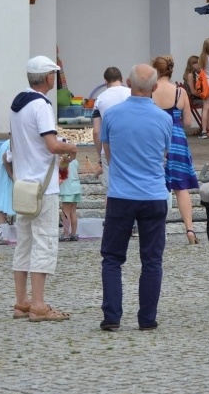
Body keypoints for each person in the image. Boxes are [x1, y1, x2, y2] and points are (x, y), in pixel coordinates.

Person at [99, 63, 173, 331]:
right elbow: (164, 154)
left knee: (111, 258)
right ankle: (147, 318)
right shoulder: (165, 119)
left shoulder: (112, 115)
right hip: (153, 194)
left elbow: (108, 153)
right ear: (154, 87)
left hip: (121, 194)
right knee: (152, 260)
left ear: (128, 84)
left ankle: (112, 316)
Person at [9, 55, 77, 322]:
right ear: (49, 77)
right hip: (43, 186)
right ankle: (38, 304)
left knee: (24, 242)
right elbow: (51, 145)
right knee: (45, 242)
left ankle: (21, 302)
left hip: (24, 183)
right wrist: (70, 146)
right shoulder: (41, 105)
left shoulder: (17, 103)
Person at [152, 56, 200, 245]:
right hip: (177, 138)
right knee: (181, 188)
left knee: (155, 185)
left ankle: (157, 229)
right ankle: (189, 229)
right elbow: (188, 122)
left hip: (155, 138)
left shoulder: (150, 92)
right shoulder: (180, 92)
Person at [92, 67, 131, 189]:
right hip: (131, 148)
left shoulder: (100, 99)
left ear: (105, 81)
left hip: (109, 149)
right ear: (122, 79)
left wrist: (100, 155)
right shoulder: (131, 94)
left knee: (111, 191)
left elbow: (97, 132)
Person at [183, 55, 208, 137]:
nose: (199, 65)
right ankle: (206, 128)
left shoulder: (193, 74)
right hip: (192, 100)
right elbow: (193, 92)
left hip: (193, 98)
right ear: (192, 64)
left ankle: (205, 127)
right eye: (198, 63)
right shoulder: (190, 75)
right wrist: (204, 95)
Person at [59, 153, 81, 241]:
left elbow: (61, 174)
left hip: (67, 188)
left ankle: (66, 234)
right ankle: (74, 233)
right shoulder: (75, 161)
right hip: (76, 187)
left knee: (66, 212)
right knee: (73, 211)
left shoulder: (62, 161)